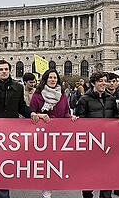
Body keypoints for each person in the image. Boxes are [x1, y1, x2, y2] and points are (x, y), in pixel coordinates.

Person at [0, 60, 38, 198]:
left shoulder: (18, 88)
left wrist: (31, 113)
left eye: (6, 69)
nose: (4, 71)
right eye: (1, 69)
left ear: (9, 70)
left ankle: (2, 193)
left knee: (6, 163)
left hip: (11, 132)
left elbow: (21, 106)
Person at [76, 72, 119, 198]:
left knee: (107, 173)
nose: (104, 83)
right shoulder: (84, 100)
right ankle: (87, 194)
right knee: (90, 173)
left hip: (108, 142)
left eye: (105, 80)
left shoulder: (111, 99)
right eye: (100, 81)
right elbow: (81, 121)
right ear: (93, 83)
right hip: (91, 143)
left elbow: (115, 115)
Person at [29, 69, 77, 198]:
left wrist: (70, 117)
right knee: (45, 163)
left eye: (55, 78)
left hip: (58, 135)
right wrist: (39, 115)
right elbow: (31, 112)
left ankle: (52, 185)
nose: (53, 80)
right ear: (45, 79)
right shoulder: (38, 96)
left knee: (56, 162)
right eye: (50, 77)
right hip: (42, 136)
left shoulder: (62, 96)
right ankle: (46, 189)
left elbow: (66, 112)